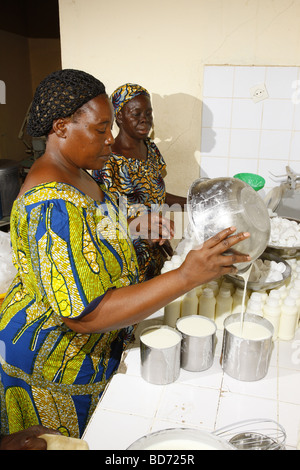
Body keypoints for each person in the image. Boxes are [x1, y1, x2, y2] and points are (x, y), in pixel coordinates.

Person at [0, 69, 250, 439]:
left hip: (100, 348)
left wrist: (134, 223)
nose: (109, 140)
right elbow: (85, 316)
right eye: (101, 130)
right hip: (55, 363)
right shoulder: (48, 204)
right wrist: (186, 276)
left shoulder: (79, 172)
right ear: (62, 127)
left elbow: (92, 223)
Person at [93, 83, 186, 282]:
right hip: (127, 260)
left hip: (156, 249)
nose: (144, 119)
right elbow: (101, 216)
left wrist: (193, 202)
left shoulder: (151, 150)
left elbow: (157, 195)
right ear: (119, 117)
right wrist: (141, 229)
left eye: (148, 113)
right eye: (136, 113)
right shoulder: (107, 161)